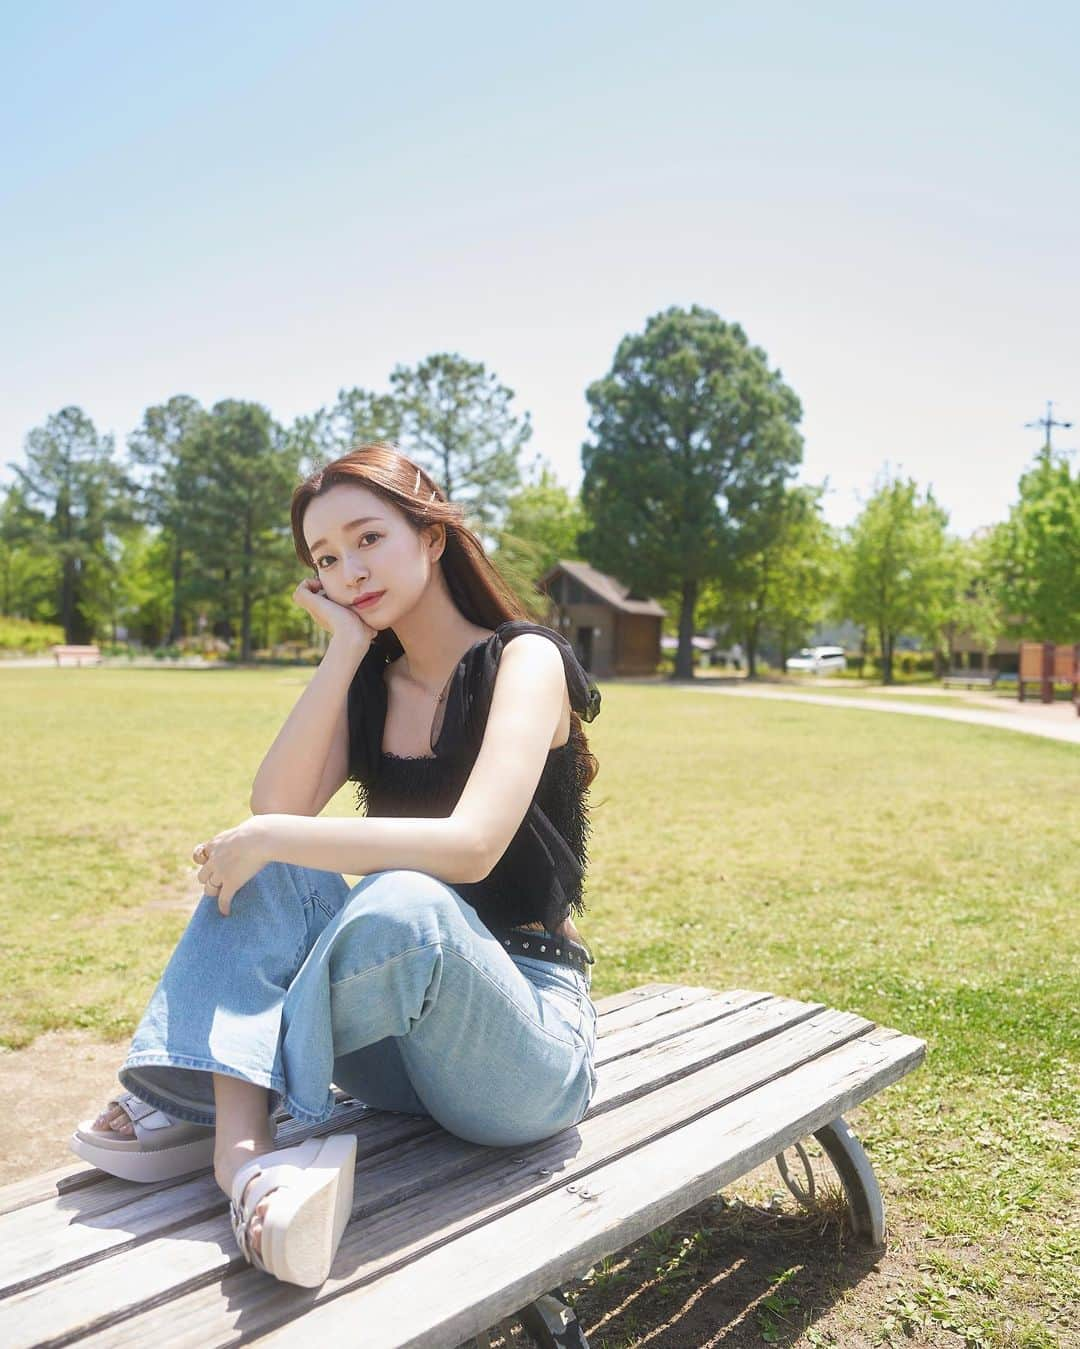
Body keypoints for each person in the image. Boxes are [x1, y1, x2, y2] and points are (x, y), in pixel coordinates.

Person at [67, 443, 602, 1289]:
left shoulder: (523, 661)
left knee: (400, 898)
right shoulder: (371, 683)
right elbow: (272, 805)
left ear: (430, 535)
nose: (348, 569)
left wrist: (274, 836)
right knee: (273, 863)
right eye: (325, 558)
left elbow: (471, 846)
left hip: (522, 1039)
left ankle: (206, 1082)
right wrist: (344, 651)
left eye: (367, 539)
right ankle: (242, 1163)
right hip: (396, 1047)